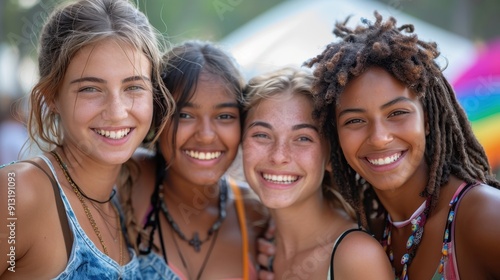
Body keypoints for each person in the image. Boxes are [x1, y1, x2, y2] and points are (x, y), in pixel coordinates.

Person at [305, 11, 500, 279]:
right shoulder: (369, 229)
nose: (379, 137)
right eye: (355, 120)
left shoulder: (483, 216)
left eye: (397, 113)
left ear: (428, 120)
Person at [0, 0, 178, 278]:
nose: (117, 112)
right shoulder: (17, 193)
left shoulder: (133, 191)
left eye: (133, 86)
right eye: (91, 89)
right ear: (52, 97)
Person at [125, 40, 269, 280]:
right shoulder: (126, 179)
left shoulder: (258, 214)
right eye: (185, 115)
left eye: (224, 116)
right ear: (157, 117)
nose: (205, 135)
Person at [241, 67, 393, 279]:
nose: (278, 156)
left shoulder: (356, 255)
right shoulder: (259, 244)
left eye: (303, 138)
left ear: (331, 157)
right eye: (262, 135)